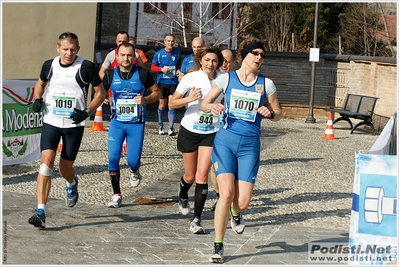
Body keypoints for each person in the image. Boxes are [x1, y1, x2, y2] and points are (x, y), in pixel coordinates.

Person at [200, 38, 282, 263]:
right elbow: (205, 103)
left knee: (242, 202)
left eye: (262, 55)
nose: (258, 58)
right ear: (244, 55)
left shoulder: (267, 84)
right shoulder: (227, 79)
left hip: (250, 146)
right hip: (225, 142)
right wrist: (213, 106)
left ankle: (236, 214)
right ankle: (218, 246)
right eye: (255, 53)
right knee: (225, 194)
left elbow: (278, 112)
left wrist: (270, 113)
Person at [28, 32, 106, 228]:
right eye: (65, 49)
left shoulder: (86, 67)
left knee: (64, 170)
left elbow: (100, 93)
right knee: (46, 163)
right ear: (58, 48)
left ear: (78, 49)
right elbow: (40, 84)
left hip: (74, 124)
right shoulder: (50, 65)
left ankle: (71, 183)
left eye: (72, 49)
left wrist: (86, 111)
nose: (69, 53)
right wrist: (37, 99)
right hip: (52, 121)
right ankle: (41, 210)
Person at [169, 46, 224, 234]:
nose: (211, 64)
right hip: (190, 129)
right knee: (190, 176)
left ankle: (197, 220)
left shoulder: (223, 79)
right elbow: (172, 102)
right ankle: (183, 192)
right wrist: (190, 98)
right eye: (207, 60)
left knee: (202, 175)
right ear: (201, 60)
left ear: (219, 63)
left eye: (214, 61)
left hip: (212, 131)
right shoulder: (191, 78)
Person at [102, 42, 161, 208]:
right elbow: (99, 91)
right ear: (117, 57)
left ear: (133, 57)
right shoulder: (110, 75)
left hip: (136, 123)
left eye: (129, 55)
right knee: (113, 158)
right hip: (117, 123)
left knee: (132, 160)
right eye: (123, 55)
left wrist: (146, 99)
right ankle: (116, 194)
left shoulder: (142, 74)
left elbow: (157, 93)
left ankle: (134, 171)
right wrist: (103, 98)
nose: (126, 58)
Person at [209, 48, 237, 212]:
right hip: (212, 126)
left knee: (233, 168)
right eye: (222, 60)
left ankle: (231, 197)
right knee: (214, 166)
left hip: (231, 129)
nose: (224, 64)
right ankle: (221, 196)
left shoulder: (237, 80)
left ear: (234, 63)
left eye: (228, 61)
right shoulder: (214, 79)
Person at [151, 33, 182, 136]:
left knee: (171, 105)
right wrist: (161, 69)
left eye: (172, 41)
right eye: (168, 41)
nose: (170, 43)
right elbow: (153, 67)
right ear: (164, 42)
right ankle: (160, 125)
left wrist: (179, 71)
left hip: (173, 82)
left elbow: (179, 65)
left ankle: (171, 128)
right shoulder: (159, 54)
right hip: (162, 83)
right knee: (162, 105)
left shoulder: (177, 53)